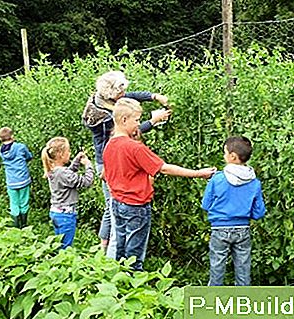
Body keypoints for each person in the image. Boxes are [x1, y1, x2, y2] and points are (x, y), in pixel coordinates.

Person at [103, 98, 216, 271]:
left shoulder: (109, 145)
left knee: (120, 249)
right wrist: (198, 173)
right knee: (134, 254)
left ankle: (117, 285)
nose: (138, 125)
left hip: (117, 203)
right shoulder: (134, 148)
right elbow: (163, 168)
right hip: (136, 206)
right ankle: (134, 287)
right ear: (124, 120)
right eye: (137, 120)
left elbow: (105, 175)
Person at [81, 70, 172, 257]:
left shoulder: (106, 99)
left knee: (112, 206)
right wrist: (153, 121)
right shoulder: (105, 116)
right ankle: (111, 256)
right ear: (112, 95)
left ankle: (104, 248)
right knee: (116, 209)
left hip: (113, 158)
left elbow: (132, 96)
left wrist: (154, 96)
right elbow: (125, 133)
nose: (125, 94)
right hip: (108, 161)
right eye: (120, 92)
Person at [202, 136, 266, 286]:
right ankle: (243, 303)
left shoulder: (217, 179)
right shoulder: (254, 182)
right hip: (243, 229)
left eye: (225, 152)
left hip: (219, 229)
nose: (224, 156)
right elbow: (259, 212)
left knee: (217, 268)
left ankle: (213, 301)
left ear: (232, 156)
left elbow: (206, 204)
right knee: (243, 269)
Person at [41, 137, 94, 249]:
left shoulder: (54, 169)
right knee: (66, 247)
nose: (69, 153)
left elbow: (69, 174)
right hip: (66, 216)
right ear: (60, 154)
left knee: (59, 243)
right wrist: (88, 165)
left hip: (56, 213)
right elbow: (86, 181)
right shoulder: (63, 173)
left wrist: (76, 160)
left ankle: (58, 263)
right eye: (68, 151)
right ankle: (64, 264)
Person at [0, 127, 33, 228]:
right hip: (23, 180)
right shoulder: (20, 147)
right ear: (12, 136)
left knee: (14, 203)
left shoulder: (1, 151)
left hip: (11, 182)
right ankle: (24, 224)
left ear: (0, 139)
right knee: (24, 201)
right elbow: (29, 156)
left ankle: (16, 225)